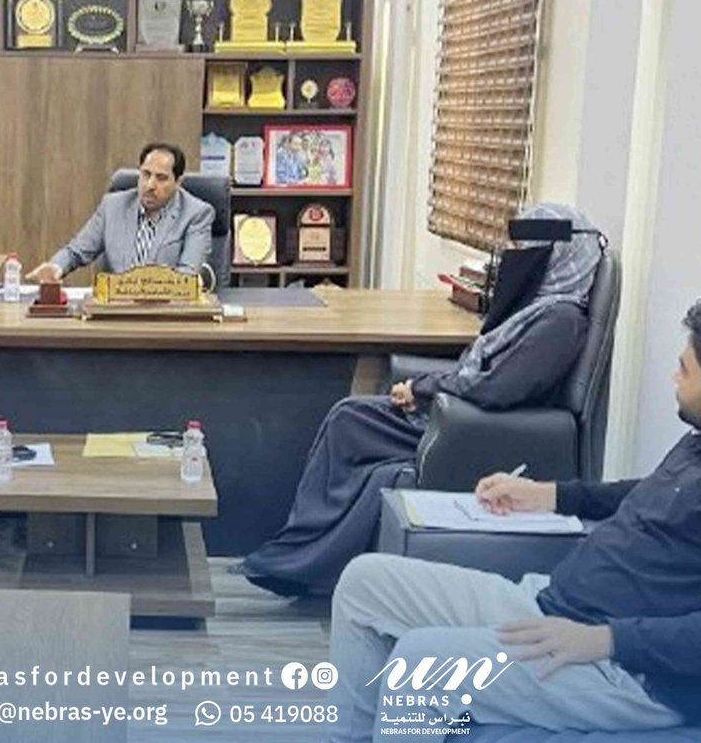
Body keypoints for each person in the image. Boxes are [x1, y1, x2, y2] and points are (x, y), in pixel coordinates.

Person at [289, 296, 701, 743]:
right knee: (365, 583)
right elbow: (649, 495)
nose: (674, 379)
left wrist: (606, 639)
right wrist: (550, 495)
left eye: (684, 369)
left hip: (630, 673)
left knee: (421, 669)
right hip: (553, 605)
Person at [241, 203, 603, 596]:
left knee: (350, 420)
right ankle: (300, 550)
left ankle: (305, 561)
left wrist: (422, 390)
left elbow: (499, 389)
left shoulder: (560, 321)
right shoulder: (537, 308)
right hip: (455, 411)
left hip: (469, 428)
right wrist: (426, 388)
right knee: (348, 417)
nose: (515, 258)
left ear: (560, 255)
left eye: (527, 249)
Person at [26, 142, 214, 282]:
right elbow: (76, 251)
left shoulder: (196, 214)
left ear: (178, 182)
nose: (150, 185)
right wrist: (56, 266)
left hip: (165, 313)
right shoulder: (113, 206)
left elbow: (186, 277)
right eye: (146, 174)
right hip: (115, 310)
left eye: (161, 178)